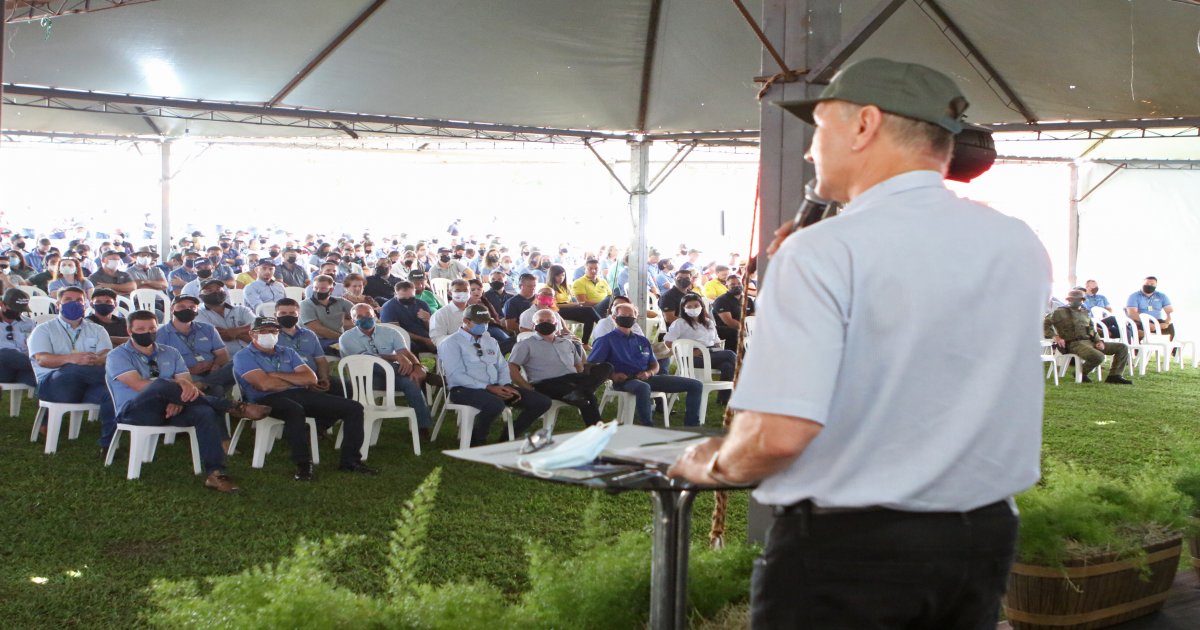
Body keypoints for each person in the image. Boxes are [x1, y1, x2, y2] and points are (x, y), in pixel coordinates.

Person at [666, 58, 1051, 628]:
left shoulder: (825, 252)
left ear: (864, 124)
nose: (807, 150)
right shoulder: (1017, 241)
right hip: (982, 540)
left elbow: (777, 434)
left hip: (850, 555)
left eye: (819, 128)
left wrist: (711, 462)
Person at [106, 310, 269, 493]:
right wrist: (176, 387)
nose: (147, 332)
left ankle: (216, 474)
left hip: (171, 409)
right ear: (130, 331)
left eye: (152, 328)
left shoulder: (171, 352)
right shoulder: (117, 355)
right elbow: (140, 386)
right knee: (158, 384)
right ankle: (231, 406)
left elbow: (188, 385)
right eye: (141, 329)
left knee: (204, 413)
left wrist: (180, 401)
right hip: (136, 412)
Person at [233, 316, 377, 480]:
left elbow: (311, 379)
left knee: (354, 408)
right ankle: (303, 465)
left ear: (278, 333)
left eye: (273, 331)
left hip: (300, 393)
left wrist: (275, 375)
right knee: (294, 410)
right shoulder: (243, 356)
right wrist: (293, 379)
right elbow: (264, 385)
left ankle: (351, 462)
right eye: (263, 331)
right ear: (252, 334)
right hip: (266, 398)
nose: (269, 334)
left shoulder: (288, 351)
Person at [437, 304, 551, 446]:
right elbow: (456, 375)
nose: (484, 325)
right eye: (480, 322)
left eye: (486, 321)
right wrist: (489, 387)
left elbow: (502, 366)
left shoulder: (489, 340)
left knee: (542, 402)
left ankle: (508, 437)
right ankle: (477, 440)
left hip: (495, 387)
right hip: (463, 389)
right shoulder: (451, 343)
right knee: (495, 404)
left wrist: (507, 385)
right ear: (466, 321)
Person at [27, 286, 116, 455]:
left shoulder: (97, 329)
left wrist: (97, 360)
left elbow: (107, 355)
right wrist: (71, 359)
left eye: (79, 300)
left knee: (110, 393)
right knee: (74, 369)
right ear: (58, 305)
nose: (74, 304)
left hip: (88, 384)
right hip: (54, 383)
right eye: (68, 300)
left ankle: (108, 445)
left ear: (85, 304)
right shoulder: (44, 329)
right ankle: (128, 379)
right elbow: (42, 359)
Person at [588, 303, 703, 426]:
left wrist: (649, 372)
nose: (627, 318)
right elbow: (593, 365)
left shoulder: (642, 340)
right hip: (624, 381)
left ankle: (692, 425)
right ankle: (647, 426)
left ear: (635, 318)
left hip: (647, 377)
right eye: (623, 315)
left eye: (630, 315)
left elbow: (655, 364)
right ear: (614, 317)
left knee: (695, 385)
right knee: (643, 387)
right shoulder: (605, 340)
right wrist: (613, 375)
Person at [338, 303, 433, 435]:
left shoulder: (390, 332)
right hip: (364, 379)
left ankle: (423, 427)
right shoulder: (346, 338)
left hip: (392, 376)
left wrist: (417, 366)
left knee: (410, 381)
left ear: (375, 316)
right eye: (360, 316)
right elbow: (365, 358)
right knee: (373, 362)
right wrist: (395, 357)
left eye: (368, 315)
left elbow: (405, 353)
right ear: (353, 321)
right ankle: (428, 376)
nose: (365, 318)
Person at [508, 308, 612, 426]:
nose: (545, 323)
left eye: (549, 320)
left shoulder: (567, 343)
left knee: (606, 367)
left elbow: (579, 366)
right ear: (533, 325)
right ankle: (597, 428)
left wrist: (584, 378)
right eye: (541, 320)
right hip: (546, 383)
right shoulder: (525, 344)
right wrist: (527, 387)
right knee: (587, 396)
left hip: (571, 378)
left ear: (556, 324)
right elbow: (512, 366)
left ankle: (580, 392)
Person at [157, 295, 237, 400]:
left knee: (237, 362)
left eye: (192, 307)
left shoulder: (208, 329)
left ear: (196, 311)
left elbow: (223, 354)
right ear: (172, 309)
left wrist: (216, 365)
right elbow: (161, 366)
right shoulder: (161, 334)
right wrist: (189, 371)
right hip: (186, 376)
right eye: (181, 307)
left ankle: (204, 383)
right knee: (217, 389)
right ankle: (212, 388)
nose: (187, 310)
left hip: (213, 371)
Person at [1045, 289, 1132, 384]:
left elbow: (1092, 329)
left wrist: (1098, 341)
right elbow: (1045, 324)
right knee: (1098, 356)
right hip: (1074, 343)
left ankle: (1114, 376)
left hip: (1089, 341)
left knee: (1122, 347)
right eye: (1074, 299)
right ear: (1068, 300)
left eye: (1080, 299)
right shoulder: (1059, 312)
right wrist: (1055, 337)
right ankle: (1081, 373)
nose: (1077, 301)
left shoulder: (1084, 313)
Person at [664, 294, 736, 403]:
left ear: (702, 306)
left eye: (696, 305)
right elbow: (668, 342)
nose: (693, 309)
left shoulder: (709, 322)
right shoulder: (679, 323)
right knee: (730, 355)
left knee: (728, 365)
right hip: (692, 357)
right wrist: (690, 352)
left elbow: (716, 341)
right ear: (683, 309)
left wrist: (715, 349)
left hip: (711, 354)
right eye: (689, 306)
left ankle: (723, 399)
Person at [273, 298, 342, 397]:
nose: (288, 316)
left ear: (299, 314)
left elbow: (321, 361)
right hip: (292, 383)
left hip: (316, 377)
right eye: (283, 313)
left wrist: (324, 378)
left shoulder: (309, 334)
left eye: (292, 313)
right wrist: (306, 382)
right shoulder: (272, 337)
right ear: (275, 315)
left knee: (348, 389)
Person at [196, 280, 256, 356]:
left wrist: (236, 331)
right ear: (200, 296)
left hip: (253, 354)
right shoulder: (198, 313)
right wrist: (245, 331)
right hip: (226, 360)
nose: (215, 292)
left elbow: (259, 326)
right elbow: (218, 334)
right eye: (209, 290)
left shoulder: (242, 309)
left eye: (218, 289)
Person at [299, 274, 353, 353]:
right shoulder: (305, 304)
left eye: (323, 288)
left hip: (337, 340)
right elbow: (317, 329)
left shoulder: (341, 302)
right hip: (316, 341)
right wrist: (342, 338)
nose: (318, 291)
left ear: (331, 290)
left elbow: (358, 312)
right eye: (315, 288)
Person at [380, 281, 436, 354]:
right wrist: (425, 340)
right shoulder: (388, 308)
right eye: (403, 298)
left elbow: (430, 328)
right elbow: (397, 332)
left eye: (411, 298)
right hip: (405, 338)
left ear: (415, 292)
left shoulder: (422, 304)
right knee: (412, 346)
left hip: (425, 335)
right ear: (395, 294)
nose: (407, 300)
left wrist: (427, 320)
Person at [0, 289, 37, 388]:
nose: (18, 312)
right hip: (2, 368)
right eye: (15, 309)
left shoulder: (30, 323)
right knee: (5, 353)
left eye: (21, 310)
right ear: (2, 305)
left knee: (41, 379)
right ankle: (45, 365)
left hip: (23, 368)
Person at [466, 278, 515, 353]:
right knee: (506, 340)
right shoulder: (465, 304)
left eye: (479, 289)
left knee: (509, 339)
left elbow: (495, 317)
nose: (476, 291)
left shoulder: (485, 302)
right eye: (472, 290)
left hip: (491, 326)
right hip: (478, 329)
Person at [710, 274, 754, 351]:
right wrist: (745, 330)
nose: (737, 286)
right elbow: (729, 322)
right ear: (727, 286)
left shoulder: (748, 300)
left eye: (739, 283)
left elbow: (753, 317)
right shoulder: (721, 300)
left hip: (746, 329)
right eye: (733, 284)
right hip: (729, 331)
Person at [1126, 276, 1176, 341]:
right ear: (1142, 284)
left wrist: (1166, 323)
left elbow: (1170, 312)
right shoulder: (1133, 296)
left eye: (1152, 284)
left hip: (1157, 321)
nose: (1149, 285)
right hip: (1140, 321)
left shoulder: (1162, 296)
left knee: (1171, 329)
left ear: (1156, 285)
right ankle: (1138, 349)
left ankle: (1171, 350)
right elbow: (1132, 313)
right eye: (1146, 284)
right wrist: (1147, 324)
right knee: (1136, 330)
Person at [428, 279, 472, 347]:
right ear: (450, 293)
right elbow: (437, 339)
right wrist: (459, 339)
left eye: (465, 290)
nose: (462, 293)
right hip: (452, 349)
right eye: (458, 291)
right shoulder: (440, 314)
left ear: (470, 292)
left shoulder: (475, 311)